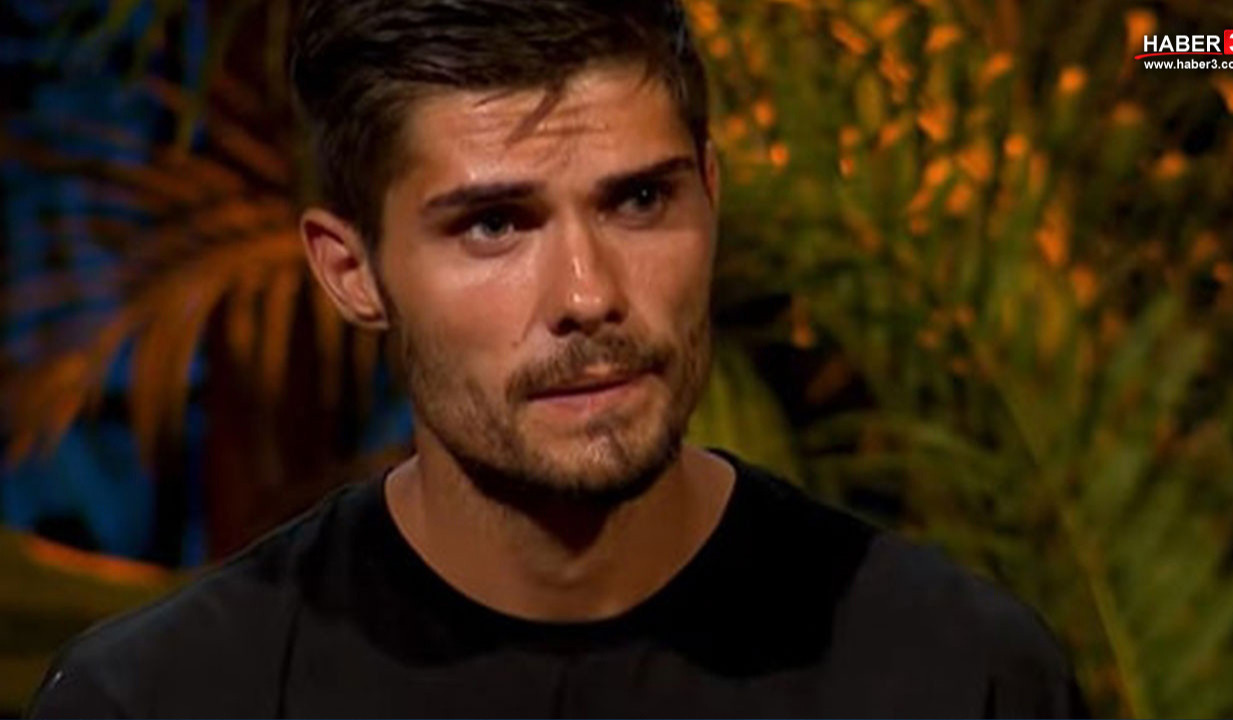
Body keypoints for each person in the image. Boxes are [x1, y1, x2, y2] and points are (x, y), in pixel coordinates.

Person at [28, 1, 1087, 717]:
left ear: (712, 196)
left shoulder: (959, 676)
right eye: (494, 225)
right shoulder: (169, 699)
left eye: (640, 200)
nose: (587, 296)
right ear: (352, 271)